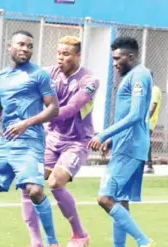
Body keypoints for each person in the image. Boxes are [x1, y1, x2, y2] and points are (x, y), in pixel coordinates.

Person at [0, 30, 60, 247]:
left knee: (35, 190)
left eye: (29, 46)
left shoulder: (39, 75)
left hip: (31, 141)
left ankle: (52, 242)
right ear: (10, 47)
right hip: (7, 143)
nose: (25, 49)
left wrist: (26, 123)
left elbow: (54, 109)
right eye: (21, 44)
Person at [17, 36, 98, 247]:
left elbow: (71, 108)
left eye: (66, 54)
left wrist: (36, 118)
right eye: (59, 53)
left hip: (77, 141)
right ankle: (36, 242)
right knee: (29, 185)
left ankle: (80, 235)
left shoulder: (89, 81)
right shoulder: (48, 73)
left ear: (78, 55)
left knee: (54, 182)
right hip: (51, 138)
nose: (61, 58)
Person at [87, 36, 155, 247]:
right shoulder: (132, 76)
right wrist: (113, 141)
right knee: (120, 201)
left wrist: (104, 135)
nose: (114, 63)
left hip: (131, 147)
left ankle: (144, 241)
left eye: (117, 58)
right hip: (126, 145)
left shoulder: (139, 76)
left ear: (130, 56)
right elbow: (127, 115)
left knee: (105, 198)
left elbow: (136, 114)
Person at [145, 72, 162, 174]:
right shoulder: (146, 90)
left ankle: (149, 165)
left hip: (150, 120)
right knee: (142, 140)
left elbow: (153, 105)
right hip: (144, 119)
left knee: (145, 140)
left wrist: (146, 118)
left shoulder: (155, 90)